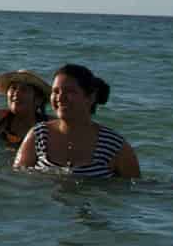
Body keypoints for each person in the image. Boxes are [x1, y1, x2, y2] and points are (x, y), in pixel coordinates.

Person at [12, 63, 140, 180]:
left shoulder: (114, 146)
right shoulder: (39, 136)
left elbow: (136, 190)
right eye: (56, 91)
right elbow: (17, 181)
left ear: (90, 97)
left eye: (69, 92)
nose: (60, 97)